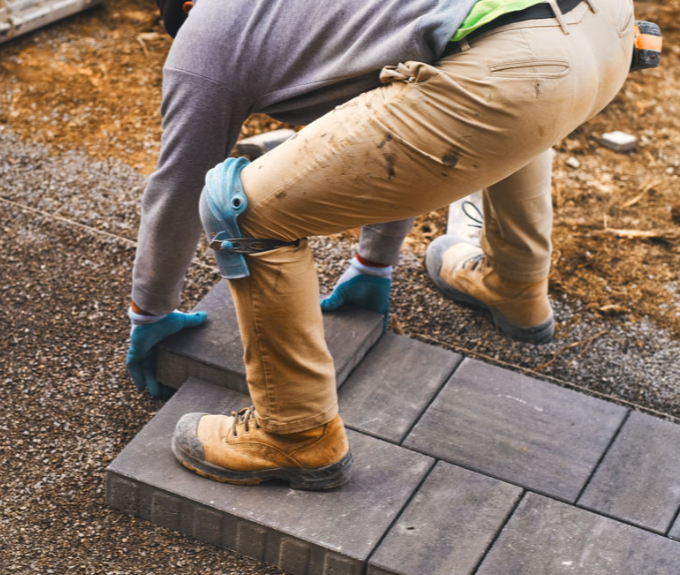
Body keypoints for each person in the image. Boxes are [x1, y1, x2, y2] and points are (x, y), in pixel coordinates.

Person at [126, 0, 635, 489]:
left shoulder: (204, 39)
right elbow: (397, 108)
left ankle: (293, 433)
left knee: (244, 211)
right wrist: (373, 264)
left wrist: (150, 312)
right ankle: (515, 288)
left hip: (522, 65)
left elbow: (179, 189)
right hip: (603, 29)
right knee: (522, 108)